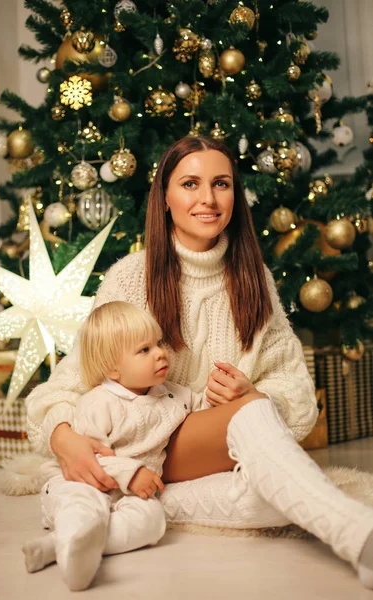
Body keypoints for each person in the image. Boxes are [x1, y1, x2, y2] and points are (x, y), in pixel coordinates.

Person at [25, 135, 373, 589]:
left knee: (267, 462)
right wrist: (63, 437)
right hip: (136, 442)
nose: (208, 198)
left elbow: (298, 396)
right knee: (282, 481)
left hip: (208, 450)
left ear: (235, 195)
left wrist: (255, 394)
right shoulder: (132, 276)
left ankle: (139, 503)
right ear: (165, 198)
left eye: (221, 184)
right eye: (190, 183)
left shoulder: (255, 278)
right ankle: (360, 535)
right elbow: (67, 385)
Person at [22, 301, 210, 591]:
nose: (160, 353)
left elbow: (203, 407)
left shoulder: (173, 396)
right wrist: (131, 474)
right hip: (80, 481)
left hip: (127, 494)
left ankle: (62, 547)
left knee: (152, 520)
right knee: (84, 507)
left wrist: (222, 392)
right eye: (144, 350)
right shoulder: (98, 403)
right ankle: (76, 553)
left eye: (158, 343)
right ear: (113, 370)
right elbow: (92, 456)